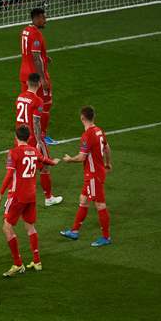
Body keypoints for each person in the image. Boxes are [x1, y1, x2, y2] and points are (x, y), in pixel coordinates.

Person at [0, 125, 59, 276]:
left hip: (17, 196)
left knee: (7, 227)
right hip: (31, 196)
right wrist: (54, 162)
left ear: (16, 137)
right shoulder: (34, 150)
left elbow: (9, 175)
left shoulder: (14, 152)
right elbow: (44, 161)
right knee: (30, 226)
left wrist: (0, 194)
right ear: (28, 137)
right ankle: (37, 261)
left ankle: (18, 263)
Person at [59, 106, 113, 247]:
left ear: (82, 118)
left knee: (100, 205)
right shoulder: (99, 131)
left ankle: (106, 237)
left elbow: (82, 157)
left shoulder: (87, 135)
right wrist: (108, 163)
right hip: (95, 172)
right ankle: (74, 231)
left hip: (94, 175)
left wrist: (70, 159)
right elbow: (107, 147)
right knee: (83, 199)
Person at [15, 72, 63, 206]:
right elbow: (36, 123)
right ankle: (48, 198)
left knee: (21, 167)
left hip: (19, 137)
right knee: (45, 167)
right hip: (31, 138)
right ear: (40, 84)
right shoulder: (38, 101)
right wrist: (39, 142)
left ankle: (17, 195)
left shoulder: (20, 97)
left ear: (27, 83)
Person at [19, 8, 58, 146]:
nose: (45, 20)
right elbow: (35, 57)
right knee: (45, 104)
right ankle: (42, 136)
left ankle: (24, 134)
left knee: (27, 104)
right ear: (36, 18)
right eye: (43, 18)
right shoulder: (36, 34)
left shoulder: (25, 31)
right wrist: (42, 78)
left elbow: (31, 52)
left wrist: (44, 57)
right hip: (35, 76)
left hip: (24, 73)